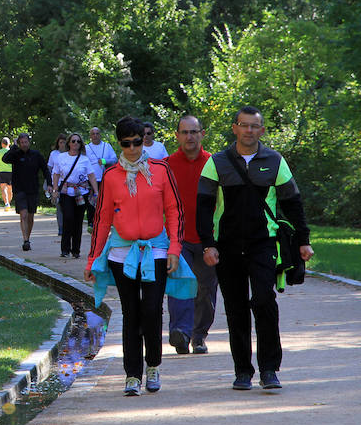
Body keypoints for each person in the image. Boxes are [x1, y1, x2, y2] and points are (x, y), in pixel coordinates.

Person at [196, 106, 313, 391]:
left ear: (261, 130)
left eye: (254, 126)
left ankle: (270, 369)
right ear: (234, 128)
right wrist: (208, 245)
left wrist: (303, 240)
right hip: (228, 246)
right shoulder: (217, 162)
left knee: (264, 302)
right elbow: (203, 206)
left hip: (263, 244)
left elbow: (293, 203)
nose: (249, 130)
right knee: (236, 309)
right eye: (244, 125)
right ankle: (242, 371)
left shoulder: (274, 160)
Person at [86, 116, 185, 396]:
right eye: (126, 144)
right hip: (121, 253)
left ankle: (152, 365)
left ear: (144, 140)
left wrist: (175, 249)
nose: (132, 149)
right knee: (131, 313)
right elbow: (102, 220)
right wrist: (93, 259)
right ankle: (132, 375)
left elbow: (175, 211)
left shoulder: (161, 170)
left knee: (151, 310)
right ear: (119, 143)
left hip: (156, 250)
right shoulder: (111, 176)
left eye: (137, 142)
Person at [166, 115, 217, 354]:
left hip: (209, 239)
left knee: (206, 289)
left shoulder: (214, 164)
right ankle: (181, 332)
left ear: (202, 134)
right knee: (180, 284)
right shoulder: (166, 166)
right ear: (177, 136)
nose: (189, 137)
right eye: (184, 132)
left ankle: (198, 336)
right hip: (178, 238)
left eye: (193, 132)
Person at [51, 133, 98, 258]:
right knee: (68, 218)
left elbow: (91, 175)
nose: (75, 143)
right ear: (69, 143)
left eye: (78, 141)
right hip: (66, 192)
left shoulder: (84, 159)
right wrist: (55, 189)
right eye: (73, 141)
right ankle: (65, 249)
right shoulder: (61, 157)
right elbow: (55, 174)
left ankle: (76, 250)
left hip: (81, 193)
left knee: (78, 221)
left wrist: (96, 191)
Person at [2, 133, 52, 252]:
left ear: (29, 143)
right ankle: (25, 240)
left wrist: (49, 184)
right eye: (22, 142)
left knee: (30, 216)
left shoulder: (36, 155)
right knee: (23, 214)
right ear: (19, 143)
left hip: (33, 189)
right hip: (19, 189)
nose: (24, 144)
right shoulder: (15, 154)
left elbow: (45, 170)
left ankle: (28, 238)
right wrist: (14, 147)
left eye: (26, 142)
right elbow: (5, 159)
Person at [84, 127, 118, 230]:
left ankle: (104, 221)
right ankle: (91, 222)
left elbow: (115, 159)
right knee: (90, 201)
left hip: (104, 178)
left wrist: (104, 161)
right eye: (93, 134)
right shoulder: (86, 148)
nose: (95, 136)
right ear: (90, 136)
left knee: (104, 201)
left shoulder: (106, 146)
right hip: (90, 179)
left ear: (100, 135)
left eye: (97, 133)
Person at [46, 133, 68, 235]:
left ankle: (68, 227)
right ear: (58, 143)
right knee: (59, 205)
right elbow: (49, 169)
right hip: (57, 184)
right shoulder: (54, 154)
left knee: (68, 206)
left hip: (68, 184)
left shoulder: (71, 153)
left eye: (64, 142)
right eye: (61, 142)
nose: (62, 144)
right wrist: (48, 183)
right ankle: (61, 227)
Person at [0, 137, 14, 211]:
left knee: (3, 188)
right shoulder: (12, 152)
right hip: (11, 172)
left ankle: (6, 203)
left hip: (2, 172)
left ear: (2, 144)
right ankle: (8, 203)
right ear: (9, 144)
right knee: (10, 189)